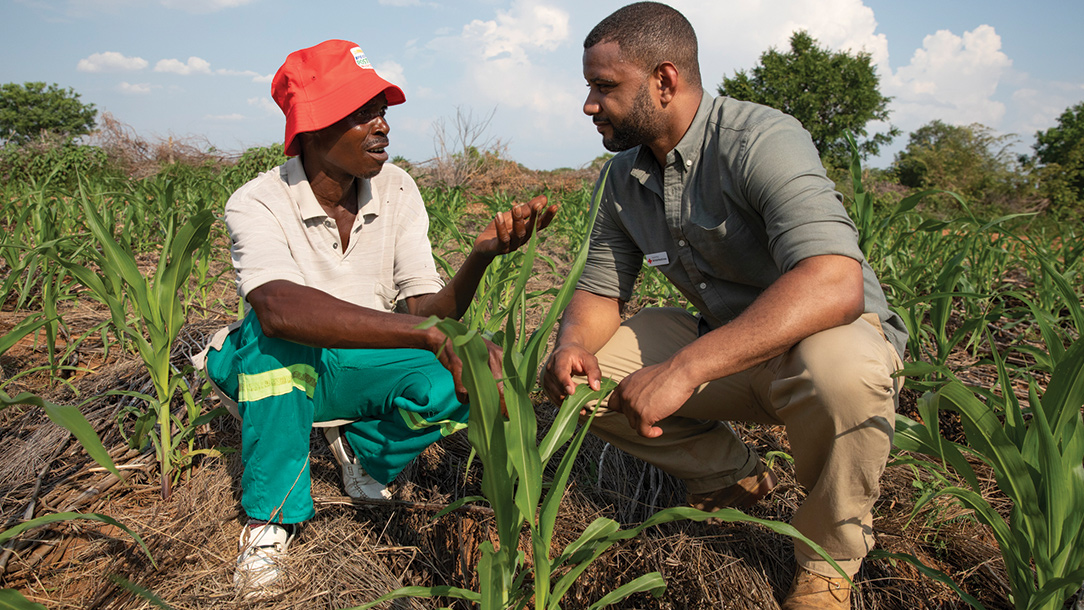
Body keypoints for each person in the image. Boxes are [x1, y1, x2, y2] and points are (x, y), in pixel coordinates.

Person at [541, 4, 906, 609]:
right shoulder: (623, 178)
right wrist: (572, 344)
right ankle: (730, 477)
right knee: (581, 380)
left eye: (605, 87)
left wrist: (685, 368)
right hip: (729, 344)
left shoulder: (760, 139)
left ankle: (828, 564)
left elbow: (833, 282)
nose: (589, 104)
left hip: (827, 339)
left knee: (844, 373)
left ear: (664, 80)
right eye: (589, 87)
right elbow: (602, 288)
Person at [195, 39, 557, 595]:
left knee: (467, 372)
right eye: (360, 113)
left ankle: (363, 453)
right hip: (278, 367)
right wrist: (428, 333)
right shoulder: (258, 200)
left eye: (382, 110)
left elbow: (422, 309)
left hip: (360, 360)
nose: (381, 125)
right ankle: (269, 521)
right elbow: (277, 309)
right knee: (279, 346)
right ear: (312, 128)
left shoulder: (398, 189)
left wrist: (479, 257)